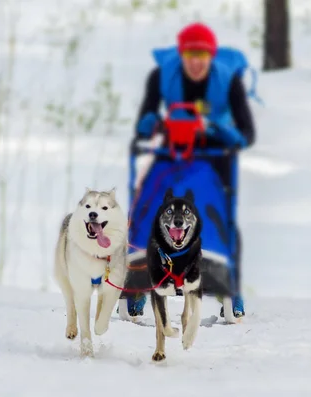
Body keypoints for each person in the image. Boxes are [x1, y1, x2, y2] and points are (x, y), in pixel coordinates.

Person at [127, 22, 256, 319]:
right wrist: (148, 123)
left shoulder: (229, 81)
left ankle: (229, 282)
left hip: (214, 154)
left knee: (214, 207)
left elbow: (247, 131)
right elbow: (145, 118)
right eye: (190, 54)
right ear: (182, 55)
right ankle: (137, 277)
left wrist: (230, 134)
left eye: (202, 54)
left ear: (211, 56)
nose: (196, 61)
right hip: (170, 154)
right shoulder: (161, 76)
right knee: (149, 202)